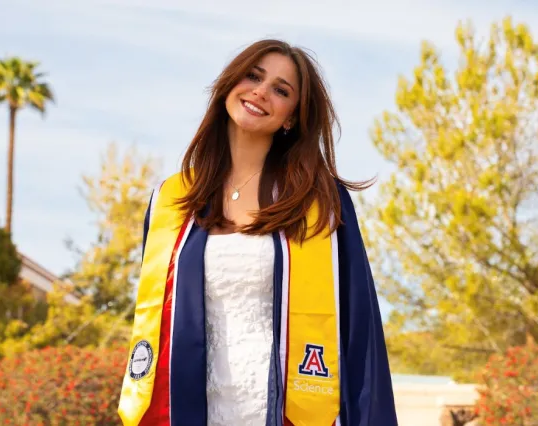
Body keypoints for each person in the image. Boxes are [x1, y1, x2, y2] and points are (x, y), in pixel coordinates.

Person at [118, 39, 398, 426]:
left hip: (284, 409)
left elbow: (359, 331)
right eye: (253, 76)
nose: (261, 92)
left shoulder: (320, 202)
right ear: (229, 85)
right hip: (194, 407)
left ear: (291, 117)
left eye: (281, 90)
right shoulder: (172, 200)